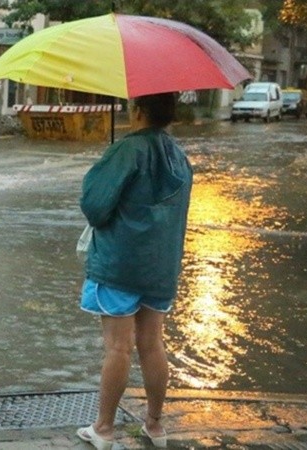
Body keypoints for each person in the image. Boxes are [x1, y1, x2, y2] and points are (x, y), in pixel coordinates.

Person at [76, 92, 193, 450]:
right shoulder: (180, 157)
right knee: (152, 344)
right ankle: (155, 426)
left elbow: (95, 207)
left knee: (118, 348)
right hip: (160, 267)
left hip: (120, 264)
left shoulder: (126, 150)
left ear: (138, 110)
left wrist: (104, 166)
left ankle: (104, 429)